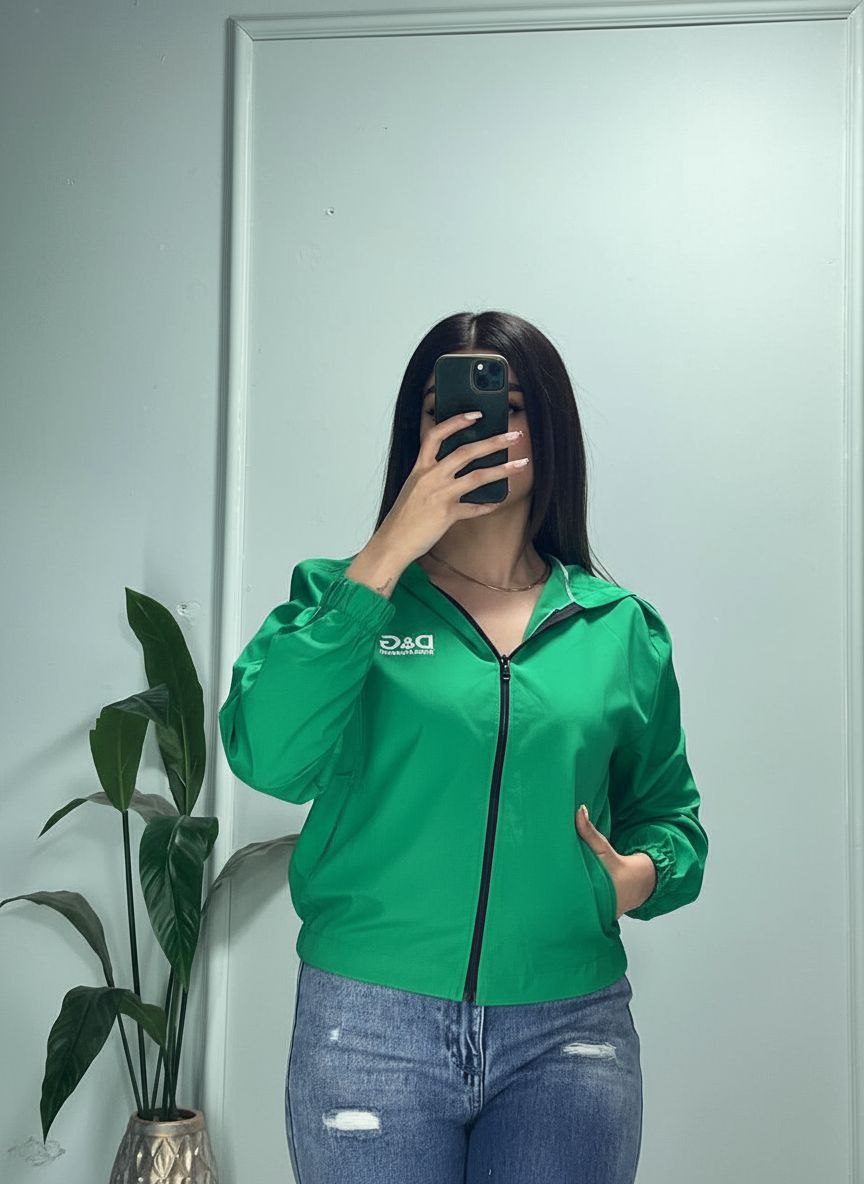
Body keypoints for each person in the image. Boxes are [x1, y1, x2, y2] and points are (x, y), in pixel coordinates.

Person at [218, 310, 709, 1183]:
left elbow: (671, 820)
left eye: (508, 407)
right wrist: (387, 554)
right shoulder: (343, 600)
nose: (478, 429)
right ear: (417, 433)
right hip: (369, 1026)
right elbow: (269, 756)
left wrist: (639, 876)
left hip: (567, 1032)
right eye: (447, 409)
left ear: (549, 431)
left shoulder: (618, 628)